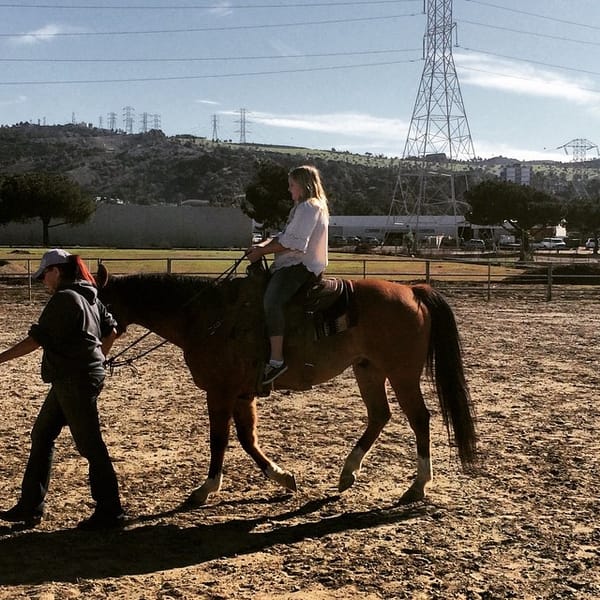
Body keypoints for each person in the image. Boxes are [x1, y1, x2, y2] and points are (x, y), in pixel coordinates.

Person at [0, 249, 124, 531]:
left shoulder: (65, 298)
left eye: (45, 275)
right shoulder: (90, 296)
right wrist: (98, 357)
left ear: (56, 271)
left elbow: (35, 341)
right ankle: (30, 507)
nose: (44, 281)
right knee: (42, 434)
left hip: (74, 379)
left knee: (90, 444)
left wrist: (0, 358)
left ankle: (111, 511)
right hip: (75, 377)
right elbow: (113, 331)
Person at [247, 165, 329, 385]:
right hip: (293, 263)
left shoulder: (309, 208)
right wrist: (263, 243)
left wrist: (261, 251)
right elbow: (285, 235)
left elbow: (294, 243)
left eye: (292, 184)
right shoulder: (302, 208)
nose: (289, 189)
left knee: (272, 302)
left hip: (300, 267)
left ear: (303, 185)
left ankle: (276, 360)